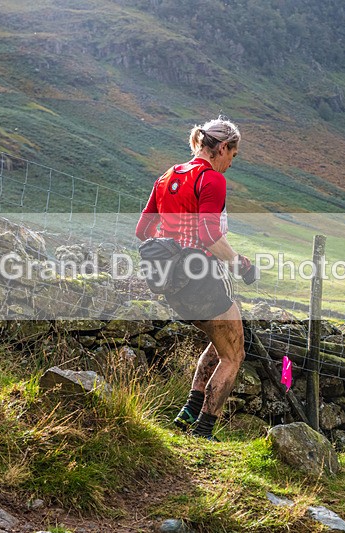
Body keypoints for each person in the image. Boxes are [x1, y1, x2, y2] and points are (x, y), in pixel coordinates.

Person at [135, 117, 256, 441]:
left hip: (173, 285)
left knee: (219, 342)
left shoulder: (167, 176)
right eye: (233, 154)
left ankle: (188, 412)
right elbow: (209, 235)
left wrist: (172, 250)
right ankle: (204, 430)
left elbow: (143, 231)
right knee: (234, 355)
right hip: (202, 279)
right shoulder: (211, 179)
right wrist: (241, 265)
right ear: (223, 147)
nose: (231, 162)